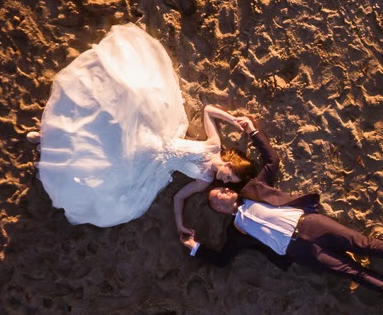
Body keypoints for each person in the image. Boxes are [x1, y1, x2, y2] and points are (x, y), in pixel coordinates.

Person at [183, 116, 383, 307]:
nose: (223, 194)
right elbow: (222, 259)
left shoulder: (253, 188)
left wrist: (253, 130)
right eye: (217, 200)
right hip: (300, 251)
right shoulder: (235, 232)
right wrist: (194, 246)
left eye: (222, 191)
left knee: (364, 244)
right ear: (219, 210)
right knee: (352, 271)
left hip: (310, 225)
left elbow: (272, 161)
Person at [36, 23, 248, 226]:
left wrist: (181, 224)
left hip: (152, 166)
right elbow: (208, 110)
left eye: (229, 182)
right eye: (229, 177)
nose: (225, 181)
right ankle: (51, 134)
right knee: (114, 123)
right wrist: (233, 120)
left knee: (106, 159)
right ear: (229, 164)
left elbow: (179, 198)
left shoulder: (205, 180)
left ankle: (54, 142)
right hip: (157, 139)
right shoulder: (213, 145)